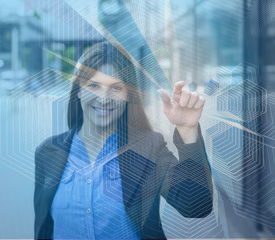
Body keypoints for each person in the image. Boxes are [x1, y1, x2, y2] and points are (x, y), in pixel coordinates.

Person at [34, 42, 213, 240]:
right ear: (78, 90)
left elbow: (197, 204)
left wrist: (187, 130)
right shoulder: (48, 153)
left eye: (116, 88)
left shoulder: (148, 148)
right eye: (93, 85)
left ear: (129, 95)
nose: (104, 98)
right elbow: (44, 229)